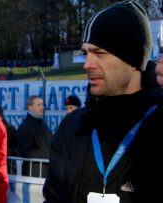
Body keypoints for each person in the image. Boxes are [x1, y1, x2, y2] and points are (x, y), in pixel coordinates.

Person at [43, 1, 163, 202]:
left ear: (133, 60)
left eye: (100, 53)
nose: (87, 64)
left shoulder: (158, 124)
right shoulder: (72, 126)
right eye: (85, 53)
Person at [16, 95, 52, 177]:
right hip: (33, 173)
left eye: (43, 104)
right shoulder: (25, 127)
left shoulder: (42, 124)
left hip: (45, 171)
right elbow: (26, 151)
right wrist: (48, 156)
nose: (42, 107)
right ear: (30, 107)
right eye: (39, 105)